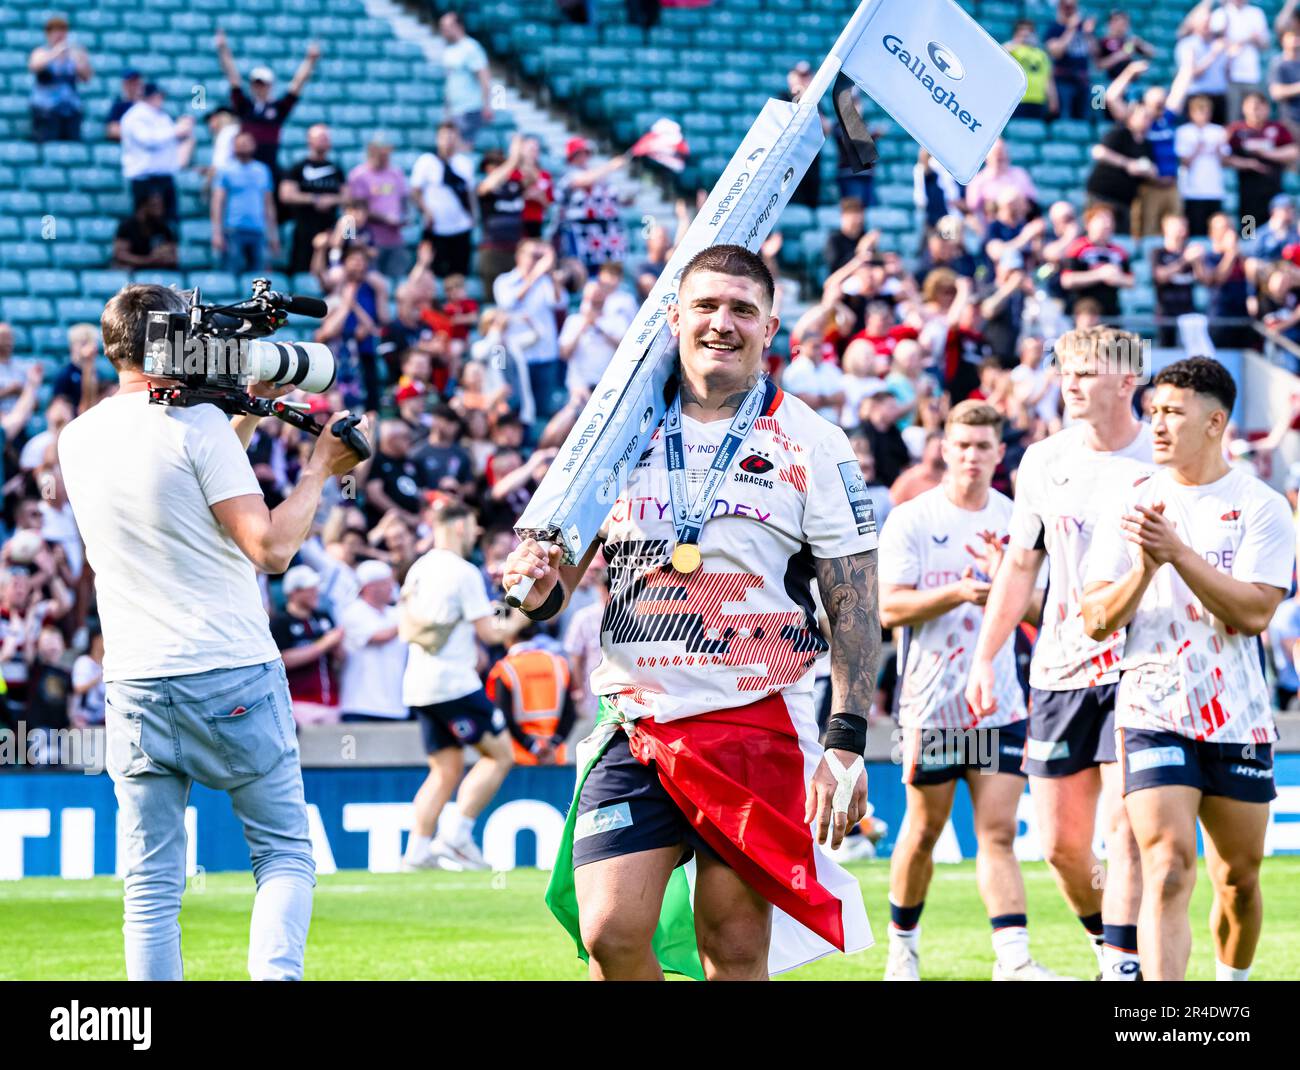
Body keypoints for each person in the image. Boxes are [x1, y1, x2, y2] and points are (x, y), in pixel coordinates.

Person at [506, 243, 880, 981]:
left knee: (734, 949)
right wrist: (535, 579)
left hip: (754, 719)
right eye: (706, 306)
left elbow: (855, 602)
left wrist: (846, 738)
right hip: (635, 722)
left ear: (770, 327)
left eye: (743, 309)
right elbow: (555, 589)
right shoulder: (615, 433)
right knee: (611, 931)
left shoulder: (812, 441)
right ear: (673, 317)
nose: (723, 323)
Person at [57, 282, 371, 981]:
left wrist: (243, 412)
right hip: (228, 670)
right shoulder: (196, 432)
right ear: (178, 341)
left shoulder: (76, 439)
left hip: (134, 679)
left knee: (150, 887)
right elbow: (270, 550)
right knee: (284, 853)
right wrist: (321, 469)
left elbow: (179, 493)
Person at [1083, 357, 1293, 982]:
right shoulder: (1132, 504)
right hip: (1152, 709)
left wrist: (1175, 555)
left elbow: (1254, 611)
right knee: (1169, 867)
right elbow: (1095, 617)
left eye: (1174, 412)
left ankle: (1231, 987)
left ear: (1215, 421)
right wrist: (1144, 570)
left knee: (1239, 880)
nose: (1158, 425)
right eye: (1153, 413)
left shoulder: (1261, 505)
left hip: (1239, 715)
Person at [968, 325, 1152, 982]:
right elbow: (1021, 567)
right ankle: (1112, 949)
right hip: (1059, 670)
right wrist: (986, 658)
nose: (1068, 383)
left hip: (1143, 667)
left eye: (1085, 371)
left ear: (1127, 381)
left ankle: (1127, 969)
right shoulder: (1043, 460)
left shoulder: (1162, 459)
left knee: (1128, 830)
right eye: (1064, 371)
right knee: (1061, 848)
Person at [880, 400, 1059, 981]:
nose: (972, 457)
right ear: (944, 449)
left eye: (984, 446)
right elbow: (890, 608)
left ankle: (1013, 960)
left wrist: (1005, 583)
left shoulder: (1017, 521)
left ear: (1000, 453)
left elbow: (1042, 610)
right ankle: (902, 950)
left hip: (996, 705)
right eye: (962, 446)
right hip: (931, 706)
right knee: (925, 829)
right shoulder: (911, 518)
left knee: (998, 833)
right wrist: (961, 592)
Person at [399, 503, 528, 871]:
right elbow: (490, 632)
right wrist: (522, 616)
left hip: (419, 685)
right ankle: (456, 835)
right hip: (453, 684)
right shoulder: (463, 572)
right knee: (501, 755)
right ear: (457, 527)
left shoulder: (419, 568)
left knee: (445, 769)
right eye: (472, 526)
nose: (474, 535)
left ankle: (417, 851)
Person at [214, 29, 319, 177]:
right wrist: (223, 49)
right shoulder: (245, 106)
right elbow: (233, 78)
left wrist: (310, 61)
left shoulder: (278, 108)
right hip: (245, 166)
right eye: (256, 84)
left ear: (270, 85)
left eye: (263, 84)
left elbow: (297, 85)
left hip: (269, 166)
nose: (259, 87)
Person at [493, 239, 568, 424]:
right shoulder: (504, 281)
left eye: (540, 257)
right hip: (516, 357)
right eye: (533, 256)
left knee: (543, 409)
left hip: (545, 354)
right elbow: (508, 303)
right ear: (519, 256)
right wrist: (536, 274)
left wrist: (551, 274)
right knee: (516, 408)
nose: (537, 261)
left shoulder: (546, 281)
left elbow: (560, 303)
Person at [270, 565, 343, 727]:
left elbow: (339, 659)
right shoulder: (280, 622)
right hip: (298, 703)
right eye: (310, 589)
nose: (315, 592)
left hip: (331, 702)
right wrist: (324, 645)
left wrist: (338, 647)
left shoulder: (323, 617)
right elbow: (283, 660)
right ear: (293, 593)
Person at [486, 636, 578, 765]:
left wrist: (533, 747)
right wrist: (553, 745)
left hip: (518, 759)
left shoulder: (505, 668)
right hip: (554, 757)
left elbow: (502, 716)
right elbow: (570, 713)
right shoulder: (558, 664)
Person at [119, 84, 194, 240]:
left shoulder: (161, 116)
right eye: (156, 96)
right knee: (145, 222)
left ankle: (167, 254)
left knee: (168, 222)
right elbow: (148, 140)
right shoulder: (135, 115)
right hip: (145, 178)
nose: (160, 99)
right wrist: (176, 130)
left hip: (164, 177)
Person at [338, 559, 407, 723]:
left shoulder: (396, 614)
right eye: (386, 583)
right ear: (370, 587)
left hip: (397, 707)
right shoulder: (354, 612)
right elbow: (380, 637)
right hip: (360, 706)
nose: (392, 587)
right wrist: (409, 616)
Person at [410, 121, 477, 280]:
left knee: (459, 273)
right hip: (436, 228)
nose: (448, 141)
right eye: (444, 136)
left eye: (452, 137)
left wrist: (473, 216)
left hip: (461, 226)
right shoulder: (427, 161)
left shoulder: (464, 163)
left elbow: (469, 193)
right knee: (434, 272)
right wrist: (426, 211)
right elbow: (415, 191)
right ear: (437, 138)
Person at [554, 138, 629, 275]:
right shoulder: (567, 174)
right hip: (578, 232)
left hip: (603, 234)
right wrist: (611, 166)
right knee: (580, 270)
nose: (584, 157)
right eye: (580, 153)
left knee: (606, 270)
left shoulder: (598, 177)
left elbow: (614, 199)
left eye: (585, 153)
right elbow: (583, 180)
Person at [279, 124, 345, 278]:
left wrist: (331, 200)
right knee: (301, 271)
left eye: (325, 138)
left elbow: (347, 196)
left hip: (329, 230)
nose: (323, 141)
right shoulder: (298, 167)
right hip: (303, 229)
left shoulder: (336, 169)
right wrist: (315, 199)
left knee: (329, 272)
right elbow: (286, 194)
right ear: (309, 141)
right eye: (320, 138)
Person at [1226, 92, 1299, 229]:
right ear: (1244, 108)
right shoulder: (1236, 130)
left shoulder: (1277, 128)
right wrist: (1248, 164)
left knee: (1276, 229)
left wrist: (1267, 153)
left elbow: (1293, 151)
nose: (1255, 111)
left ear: (1266, 108)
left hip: (1273, 189)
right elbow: (1224, 158)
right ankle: (1249, 247)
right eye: (1251, 107)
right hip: (1248, 192)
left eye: (1259, 107)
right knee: (1249, 231)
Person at [212, 132, 279, 275]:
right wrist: (217, 232)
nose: (243, 145)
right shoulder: (225, 170)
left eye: (247, 142)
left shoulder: (263, 170)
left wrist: (273, 235)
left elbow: (268, 204)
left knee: (260, 278)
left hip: (258, 230)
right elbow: (218, 202)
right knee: (231, 273)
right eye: (240, 142)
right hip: (233, 230)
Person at [347, 138, 410, 280]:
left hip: (395, 239)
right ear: (372, 152)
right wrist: (385, 218)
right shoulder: (359, 175)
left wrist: (404, 217)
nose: (385, 158)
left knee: (396, 281)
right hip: (371, 240)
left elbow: (404, 201)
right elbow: (354, 211)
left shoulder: (396, 173)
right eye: (382, 154)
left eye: (387, 154)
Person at [1060, 204, 1134, 317]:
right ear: (1089, 224)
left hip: (1110, 313)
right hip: (1082, 313)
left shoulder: (1119, 251)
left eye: (1110, 219)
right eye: (1102, 219)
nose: (1107, 224)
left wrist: (1118, 278)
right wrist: (1100, 274)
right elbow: (1067, 280)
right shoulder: (1078, 248)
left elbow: (1131, 281)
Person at [28, 15, 92, 142]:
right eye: (55, 31)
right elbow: (34, 66)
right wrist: (55, 53)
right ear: (48, 34)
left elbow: (87, 77)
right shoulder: (41, 52)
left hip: (70, 110)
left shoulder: (73, 54)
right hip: (46, 111)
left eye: (62, 31)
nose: (59, 35)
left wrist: (78, 58)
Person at [1175, 94, 1230, 237]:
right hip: (1192, 190)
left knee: (1215, 230)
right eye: (1200, 111)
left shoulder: (1218, 131)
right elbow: (1183, 162)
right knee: (1196, 230)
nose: (1203, 115)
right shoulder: (1184, 131)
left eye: (1206, 111)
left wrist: (1218, 150)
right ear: (1191, 113)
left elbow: (1225, 161)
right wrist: (1197, 149)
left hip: (1214, 188)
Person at [437, 11, 493, 147]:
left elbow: (484, 77)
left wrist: (487, 105)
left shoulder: (471, 48)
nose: (443, 31)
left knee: (464, 147)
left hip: (470, 108)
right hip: (455, 110)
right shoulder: (448, 50)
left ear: (458, 26)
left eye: (447, 26)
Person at [1210, 0, 1271, 122]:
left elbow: (1265, 44)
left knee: (1256, 117)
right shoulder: (1220, 13)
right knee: (1233, 118)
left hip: (1252, 74)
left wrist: (1253, 39)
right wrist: (1242, 41)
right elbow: (1215, 43)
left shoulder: (1256, 13)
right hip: (1228, 75)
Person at [1150, 214, 1203, 347]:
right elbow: (1160, 276)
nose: (1181, 229)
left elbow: (1203, 280)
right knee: (1166, 350)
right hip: (1166, 312)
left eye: (1183, 225)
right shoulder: (1158, 253)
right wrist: (1184, 260)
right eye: (1176, 226)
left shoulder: (1191, 252)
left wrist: (1198, 262)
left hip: (1189, 311)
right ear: (1165, 229)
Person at [1045, 0, 1097, 121]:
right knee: (1064, 118)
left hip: (1083, 81)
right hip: (1063, 81)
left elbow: (1096, 55)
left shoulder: (1084, 30)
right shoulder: (1054, 28)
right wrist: (1070, 28)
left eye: (1073, 7)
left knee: (1086, 116)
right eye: (1066, 7)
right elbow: (1056, 52)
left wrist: (1089, 34)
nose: (1070, 10)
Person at [111, 192, 178, 270]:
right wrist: (146, 260)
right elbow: (120, 255)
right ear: (144, 206)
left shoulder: (164, 228)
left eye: (162, 205)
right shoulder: (126, 226)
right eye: (155, 205)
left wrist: (163, 255)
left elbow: (173, 256)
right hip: (133, 271)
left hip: (155, 270)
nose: (161, 210)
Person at [1006, 20, 1058, 120]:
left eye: (1029, 31)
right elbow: (1001, 54)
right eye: (1022, 31)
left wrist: (1053, 101)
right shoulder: (1012, 50)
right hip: (1017, 100)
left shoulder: (1041, 54)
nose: (1026, 34)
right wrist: (1016, 42)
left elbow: (1048, 79)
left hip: (1038, 100)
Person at [104, 69, 143, 142]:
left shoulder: (148, 105)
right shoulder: (119, 106)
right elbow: (112, 130)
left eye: (136, 82)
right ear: (124, 85)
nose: (134, 86)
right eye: (131, 83)